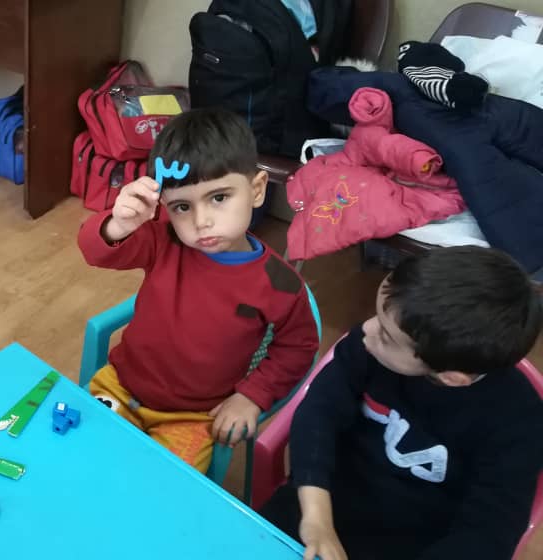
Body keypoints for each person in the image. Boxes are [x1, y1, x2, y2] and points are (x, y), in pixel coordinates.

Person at [261, 246, 543, 560]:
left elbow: (488, 532)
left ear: (451, 377)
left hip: (413, 544)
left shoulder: (518, 421)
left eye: (386, 336)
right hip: (319, 500)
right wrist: (317, 517)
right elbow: (319, 413)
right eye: (378, 317)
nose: (366, 330)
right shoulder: (367, 348)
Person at [77, 107, 319, 472]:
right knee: (78, 457)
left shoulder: (280, 282)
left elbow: (298, 347)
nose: (201, 221)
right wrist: (119, 223)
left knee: (162, 489)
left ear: (256, 189)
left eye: (219, 197)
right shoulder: (163, 240)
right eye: (181, 206)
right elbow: (95, 251)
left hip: (192, 417)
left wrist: (252, 396)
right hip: (120, 388)